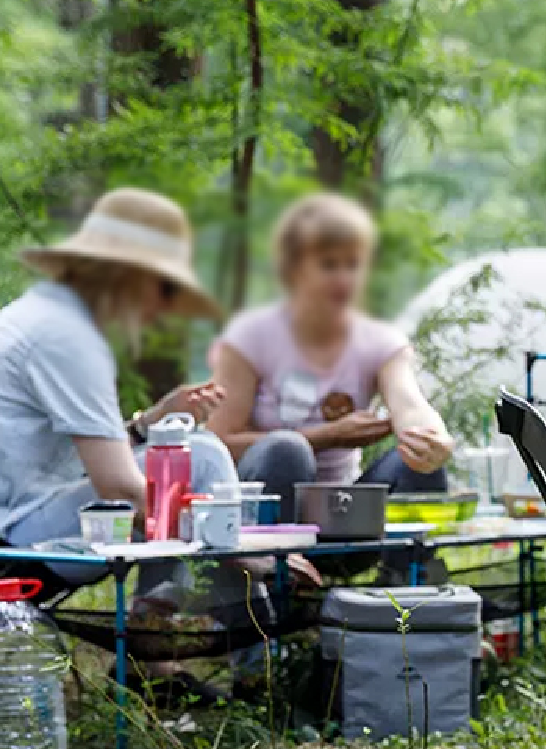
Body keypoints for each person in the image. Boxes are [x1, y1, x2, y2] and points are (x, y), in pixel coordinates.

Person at [0, 188, 236, 559]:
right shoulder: (67, 338)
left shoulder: (46, 316)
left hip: (25, 510)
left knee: (177, 451)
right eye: (166, 287)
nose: (164, 307)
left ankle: (165, 604)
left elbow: (80, 457)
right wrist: (252, 553)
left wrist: (150, 423)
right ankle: (239, 603)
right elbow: (120, 490)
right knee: (200, 455)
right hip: (20, 532)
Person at [207, 193, 453, 520]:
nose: (343, 279)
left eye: (352, 264)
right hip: (265, 519)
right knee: (286, 449)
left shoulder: (381, 341)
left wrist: (434, 440)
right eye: (328, 265)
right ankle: (276, 569)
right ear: (294, 270)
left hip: (344, 515)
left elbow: (410, 405)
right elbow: (217, 445)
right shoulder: (249, 338)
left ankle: (404, 571)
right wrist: (328, 436)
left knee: (417, 464)